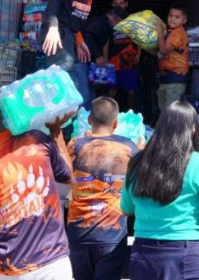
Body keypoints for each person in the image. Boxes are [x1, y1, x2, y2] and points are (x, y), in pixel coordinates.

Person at [120, 101, 199, 280]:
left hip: (143, 255)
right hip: (183, 255)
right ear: (193, 130)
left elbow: (126, 209)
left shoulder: (136, 163)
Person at [0, 86, 75, 279]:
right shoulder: (36, 141)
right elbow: (67, 174)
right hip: (50, 264)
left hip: (4, 267)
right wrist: (55, 130)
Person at [66, 97, 138, 280]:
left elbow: (65, 174)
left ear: (89, 120)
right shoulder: (128, 147)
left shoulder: (75, 145)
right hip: (112, 235)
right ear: (116, 123)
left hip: (78, 232)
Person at [42, 0, 117, 109]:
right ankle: (59, 132)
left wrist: (79, 38)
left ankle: (69, 131)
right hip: (58, 32)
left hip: (69, 34)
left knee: (77, 88)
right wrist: (53, 27)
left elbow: (74, 15)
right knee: (64, 84)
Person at [154, 5, 189, 111]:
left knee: (170, 113)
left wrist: (159, 32)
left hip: (175, 79)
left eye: (177, 17)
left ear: (184, 20)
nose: (172, 19)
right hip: (166, 78)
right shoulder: (169, 32)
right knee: (164, 112)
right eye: (170, 15)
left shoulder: (178, 33)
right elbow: (159, 52)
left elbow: (164, 50)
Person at [106, 7, 141, 112]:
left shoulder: (131, 27)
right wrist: (106, 59)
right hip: (114, 62)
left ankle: (131, 112)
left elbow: (139, 41)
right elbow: (106, 44)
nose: (110, 20)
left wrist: (138, 55)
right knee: (112, 89)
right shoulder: (110, 27)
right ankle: (109, 113)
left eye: (112, 18)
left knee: (131, 91)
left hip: (129, 62)